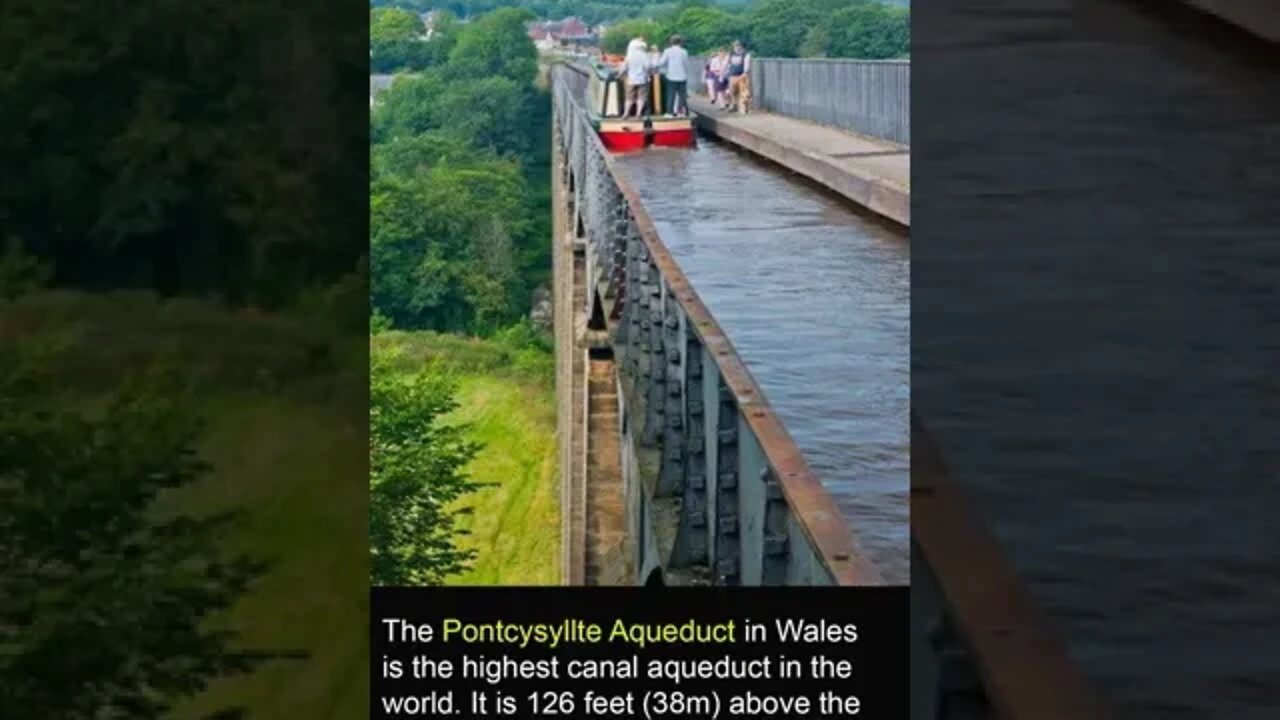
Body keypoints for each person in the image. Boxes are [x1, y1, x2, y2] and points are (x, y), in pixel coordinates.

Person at [656, 35, 690, 116]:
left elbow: (661, 63)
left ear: (671, 42)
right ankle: (680, 112)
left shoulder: (667, 51)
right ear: (680, 42)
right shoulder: (684, 51)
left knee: (671, 95)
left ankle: (669, 112)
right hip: (682, 76)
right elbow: (686, 64)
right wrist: (686, 74)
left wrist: (655, 64)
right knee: (682, 95)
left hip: (671, 76)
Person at [618, 37, 651, 118]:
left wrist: (620, 75)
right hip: (643, 79)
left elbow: (624, 68)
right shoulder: (644, 56)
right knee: (641, 97)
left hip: (631, 80)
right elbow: (648, 66)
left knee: (629, 97)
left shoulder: (630, 56)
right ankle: (638, 113)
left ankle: (626, 113)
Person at [726, 40, 752, 114]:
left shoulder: (746, 54)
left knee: (744, 92)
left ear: (741, 46)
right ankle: (734, 104)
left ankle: (744, 108)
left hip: (742, 75)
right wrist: (725, 74)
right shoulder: (730, 54)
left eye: (738, 45)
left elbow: (747, 64)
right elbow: (727, 64)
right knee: (732, 91)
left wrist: (745, 72)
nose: (737, 47)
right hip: (732, 75)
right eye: (735, 45)